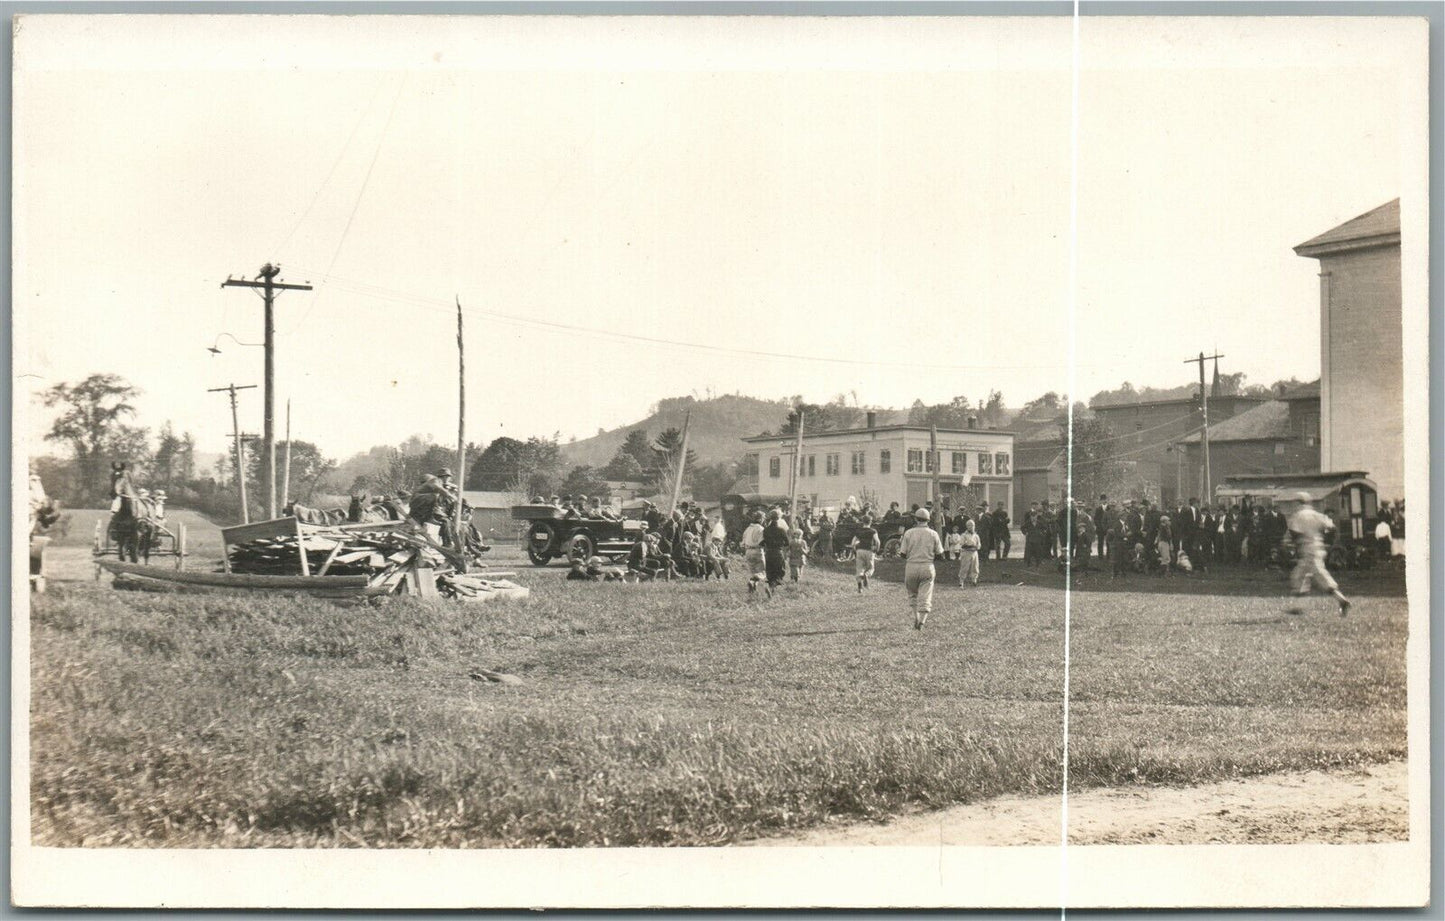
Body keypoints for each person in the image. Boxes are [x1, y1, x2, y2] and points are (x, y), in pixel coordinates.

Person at [1286, 491, 1351, 616]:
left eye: (1296, 502)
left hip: (1308, 550)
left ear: (1299, 502)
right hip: (1318, 548)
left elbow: (1294, 534)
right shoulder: (1316, 514)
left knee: (1320, 578)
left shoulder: (1298, 515)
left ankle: (1343, 601)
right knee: (1299, 576)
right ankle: (1298, 607)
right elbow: (1331, 527)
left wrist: (1293, 545)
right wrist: (1324, 539)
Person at [900, 508, 945, 630]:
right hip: (927, 566)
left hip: (911, 566)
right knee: (926, 595)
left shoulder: (909, 533)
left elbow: (902, 554)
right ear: (928, 520)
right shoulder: (933, 534)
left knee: (912, 594)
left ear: (916, 519)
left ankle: (916, 616)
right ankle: (922, 621)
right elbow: (940, 555)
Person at [761, 508, 790, 596]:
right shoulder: (781, 530)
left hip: (768, 553)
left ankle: (770, 588)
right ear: (778, 518)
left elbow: (763, 542)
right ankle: (773, 588)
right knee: (779, 571)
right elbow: (787, 543)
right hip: (778, 552)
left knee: (770, 571)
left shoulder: (765, 530)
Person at [850, 515, 881, 593]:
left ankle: (860, 588)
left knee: (859, 569)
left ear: (862, 522)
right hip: (869, 550)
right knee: (871, 568)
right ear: (870, 522)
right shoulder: (873, 531)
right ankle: (866, 575)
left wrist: (854, 550)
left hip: (859, 550)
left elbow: (853, 542)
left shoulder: (858, 531)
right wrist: (876, 550)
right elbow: (877, 541)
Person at [741, 511, 767, 596]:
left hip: (748, 551)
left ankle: (752, 586)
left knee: (752, 571)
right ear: (760, 519)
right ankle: (754, 580)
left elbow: (743, 543)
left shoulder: (747, 529)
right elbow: (761, 542)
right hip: (757, 551)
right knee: (761, 572)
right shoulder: (760, 529)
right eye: (763, 518)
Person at [957, 519, 981, 586]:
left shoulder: (976, 535)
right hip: (966, 552)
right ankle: (961, 581)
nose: (972, 527)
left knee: (975, 567)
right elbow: (962, 544)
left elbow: (978, 545)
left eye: (973, 525)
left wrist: (975, 546)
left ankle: (974, 580)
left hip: (974, 552)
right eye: (970, 525)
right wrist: (968, 545)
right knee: (964, 567)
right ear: (967, 526)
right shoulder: (964, 535)